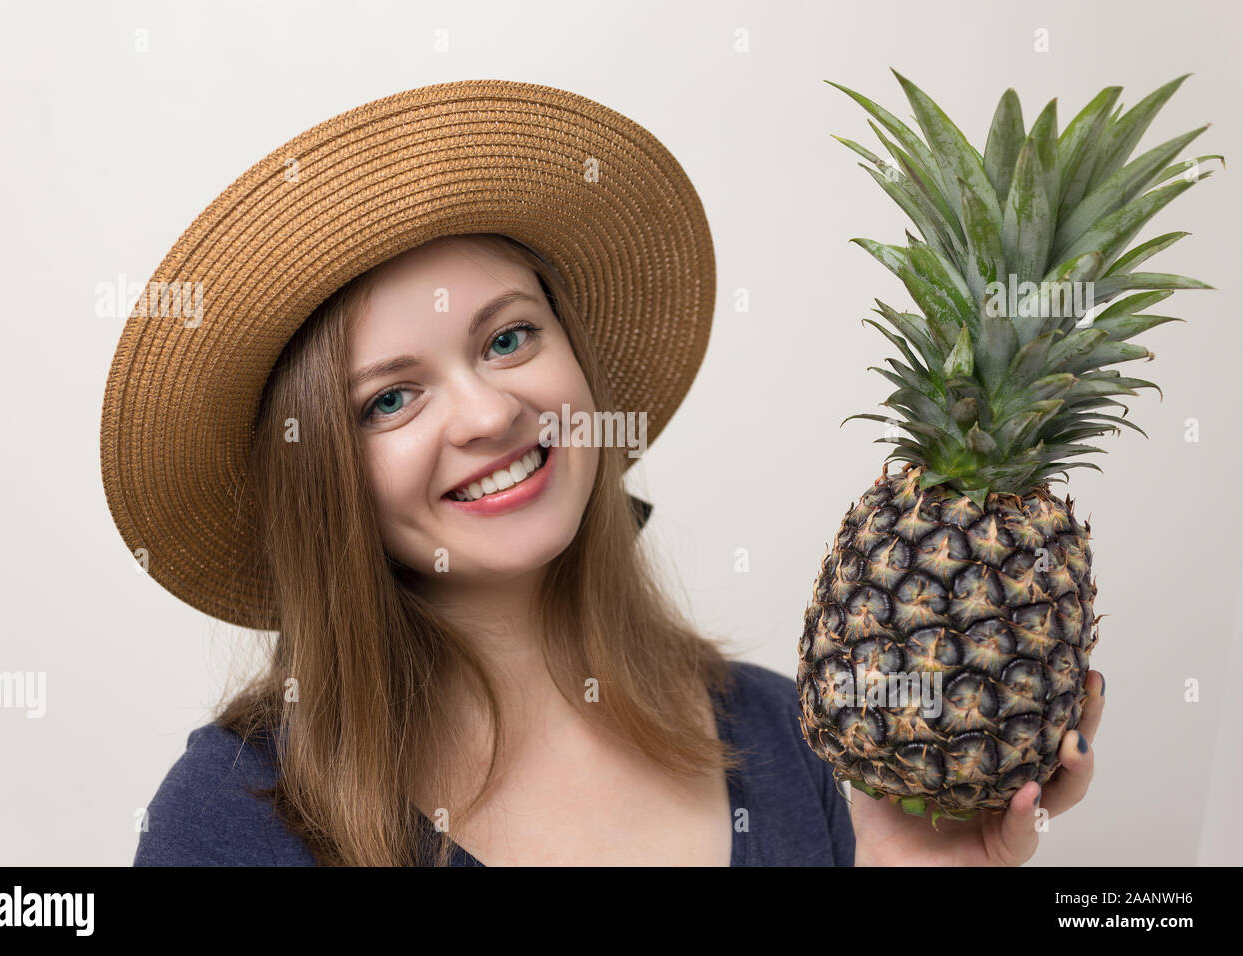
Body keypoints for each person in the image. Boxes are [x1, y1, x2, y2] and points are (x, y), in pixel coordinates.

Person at [105, 81, 1100, 868]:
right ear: (319, 478)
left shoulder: (778, 731)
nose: (492, 411)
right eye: (389, 398)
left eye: (506, 335)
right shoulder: (236, 819)